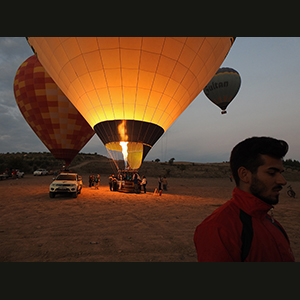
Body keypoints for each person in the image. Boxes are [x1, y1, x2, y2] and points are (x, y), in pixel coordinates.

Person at [194, 136, 295, 262]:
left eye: (281, 173)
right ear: (244, 175)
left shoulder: (271, 222)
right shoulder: (219, 229)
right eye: (271, 173)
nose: (282, 181)